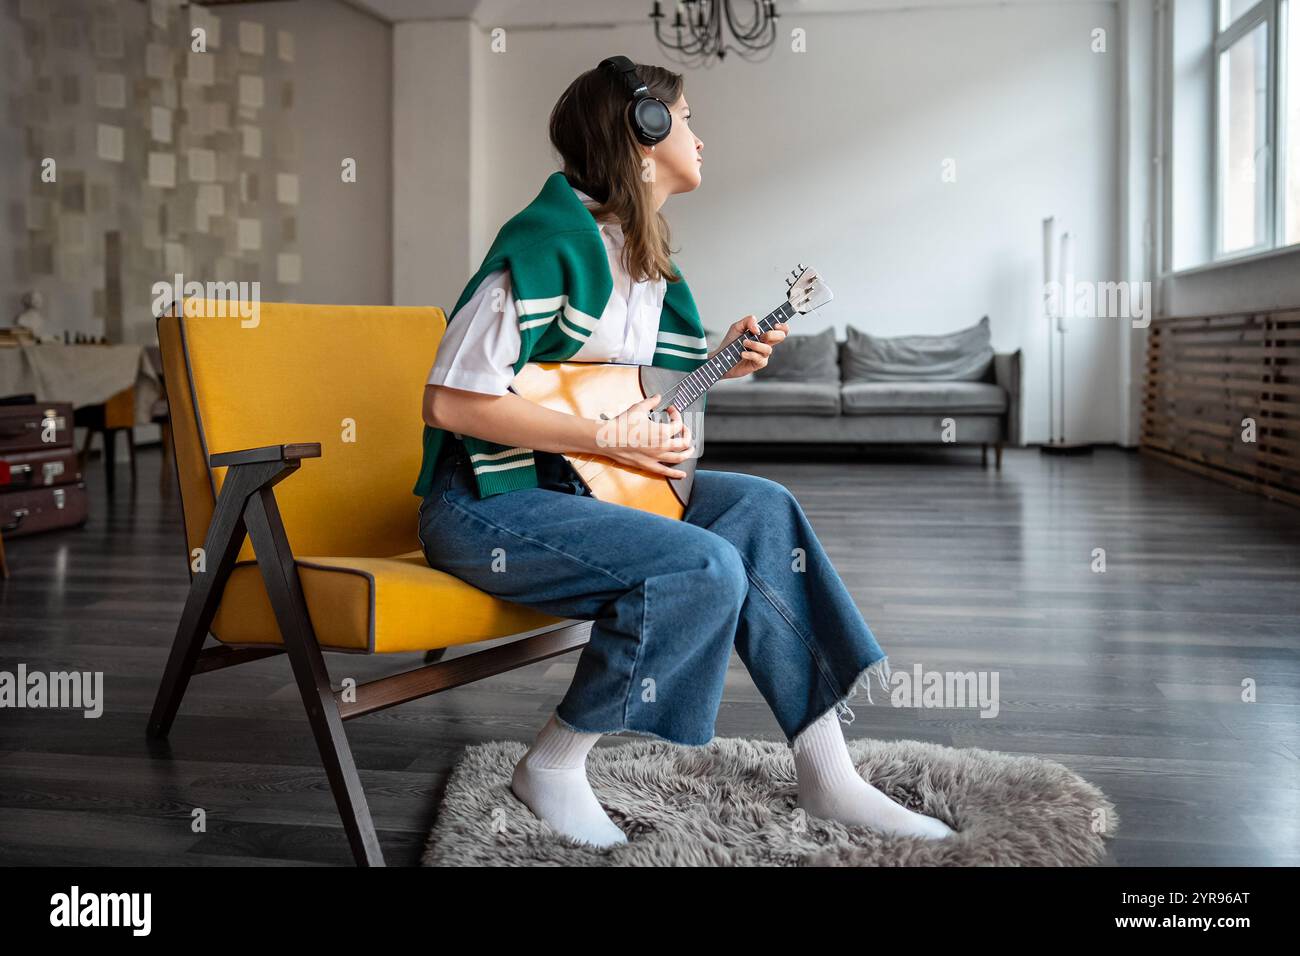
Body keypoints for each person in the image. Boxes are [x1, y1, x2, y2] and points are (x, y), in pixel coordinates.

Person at [415, 56, 954, 848]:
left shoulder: (640, 256)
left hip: (581, 488)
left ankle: (827, 773)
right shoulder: (539, 249)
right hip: (487, 504)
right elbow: (451, 400)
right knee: (701, 566)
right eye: (688, 117)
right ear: (646, 131)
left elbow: (606, 397)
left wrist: (716, 364)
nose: (700, 135)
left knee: (762, 510)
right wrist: (605, 438)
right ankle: (555, 764)